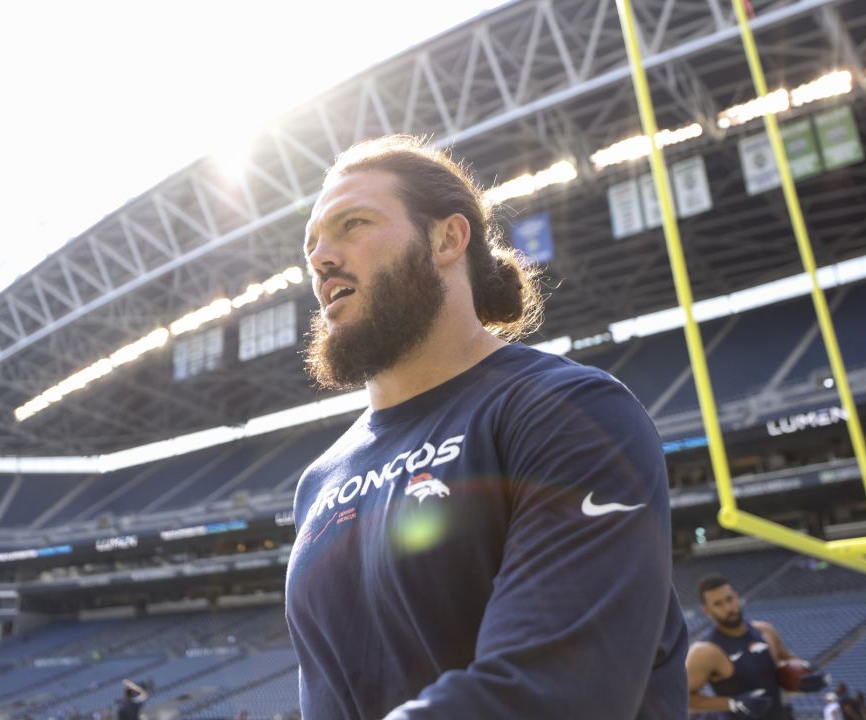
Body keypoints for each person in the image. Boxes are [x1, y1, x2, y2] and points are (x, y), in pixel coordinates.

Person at [284, 133, 687, 719]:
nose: (321, 258)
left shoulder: (571, 410)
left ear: (448, 238)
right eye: (312, 243)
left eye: (353, 224)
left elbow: (555, 691)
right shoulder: (318, 483)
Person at [686, 575, 827, 718]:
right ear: (707, 611)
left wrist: (810, 674)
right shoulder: (704, 651)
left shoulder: (765, 631)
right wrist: (731, 703)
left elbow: (789, 661)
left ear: (736, 597)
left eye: (729, 599)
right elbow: (682, 697)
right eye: (718, 604)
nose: (728, 608)